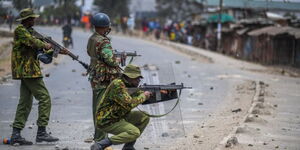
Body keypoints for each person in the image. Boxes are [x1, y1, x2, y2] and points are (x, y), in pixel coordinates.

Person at [10, 8, 67, 145]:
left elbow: (38, 45)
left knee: (25, 102)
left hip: (28, 70)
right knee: (45, 98)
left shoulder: (31, 31)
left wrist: (57, 49)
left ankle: (16, 134)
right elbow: (32, 42)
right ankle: (41, 132)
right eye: (32, 18)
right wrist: (46, 44)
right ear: (27, 20)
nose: (34, 20)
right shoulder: (21, 30)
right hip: (28, 70)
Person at [91, 64, 151, 150]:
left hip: (119, 116)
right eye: (136, 78)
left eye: (139, 78)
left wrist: (156, 94)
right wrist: (144, 96)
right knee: (134, 133)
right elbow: (129, 104)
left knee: (144, 117)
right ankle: (102, 144)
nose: (138, 80)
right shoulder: (118, 84)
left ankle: (128, 147)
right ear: (129, 77)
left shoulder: (129, 86)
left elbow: (137, 95)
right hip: (107, 120)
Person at [87, 12, 121, 142]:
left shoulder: (92, 38)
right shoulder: (104, 41)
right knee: (102, 108)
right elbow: (110, 60)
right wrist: (117, 59)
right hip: (103, 79)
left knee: (96, 105)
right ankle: (101, 138)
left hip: (95, 77)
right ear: (105, 26)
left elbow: (94, 54)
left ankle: (98, 135)